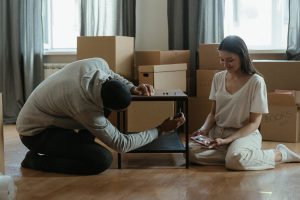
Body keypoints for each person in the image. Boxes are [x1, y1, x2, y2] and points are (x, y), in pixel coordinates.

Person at [16, 57, 185, 175]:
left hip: (53, 116)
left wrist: (132, 87)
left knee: (89, 145)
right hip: (36, 133)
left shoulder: (98, 64)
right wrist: (160, 130)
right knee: (101, 160)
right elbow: (122, 144)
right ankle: (35, 161)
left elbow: (114, 76)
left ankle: (77, 146)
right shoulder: (84, 108)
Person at [190, 35, 300, 170]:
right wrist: (203, 130)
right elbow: (213, 114)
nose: (225, 65)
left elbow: (254, 123)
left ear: (242, 56)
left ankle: (280, 154)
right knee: (188, 153)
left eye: (230, 60)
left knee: (236, 161)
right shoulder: (218, 78)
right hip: (218, 133)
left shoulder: (256, 82)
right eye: (222, 60)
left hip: (245, 134)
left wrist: (228, 141)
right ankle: (237, 155)